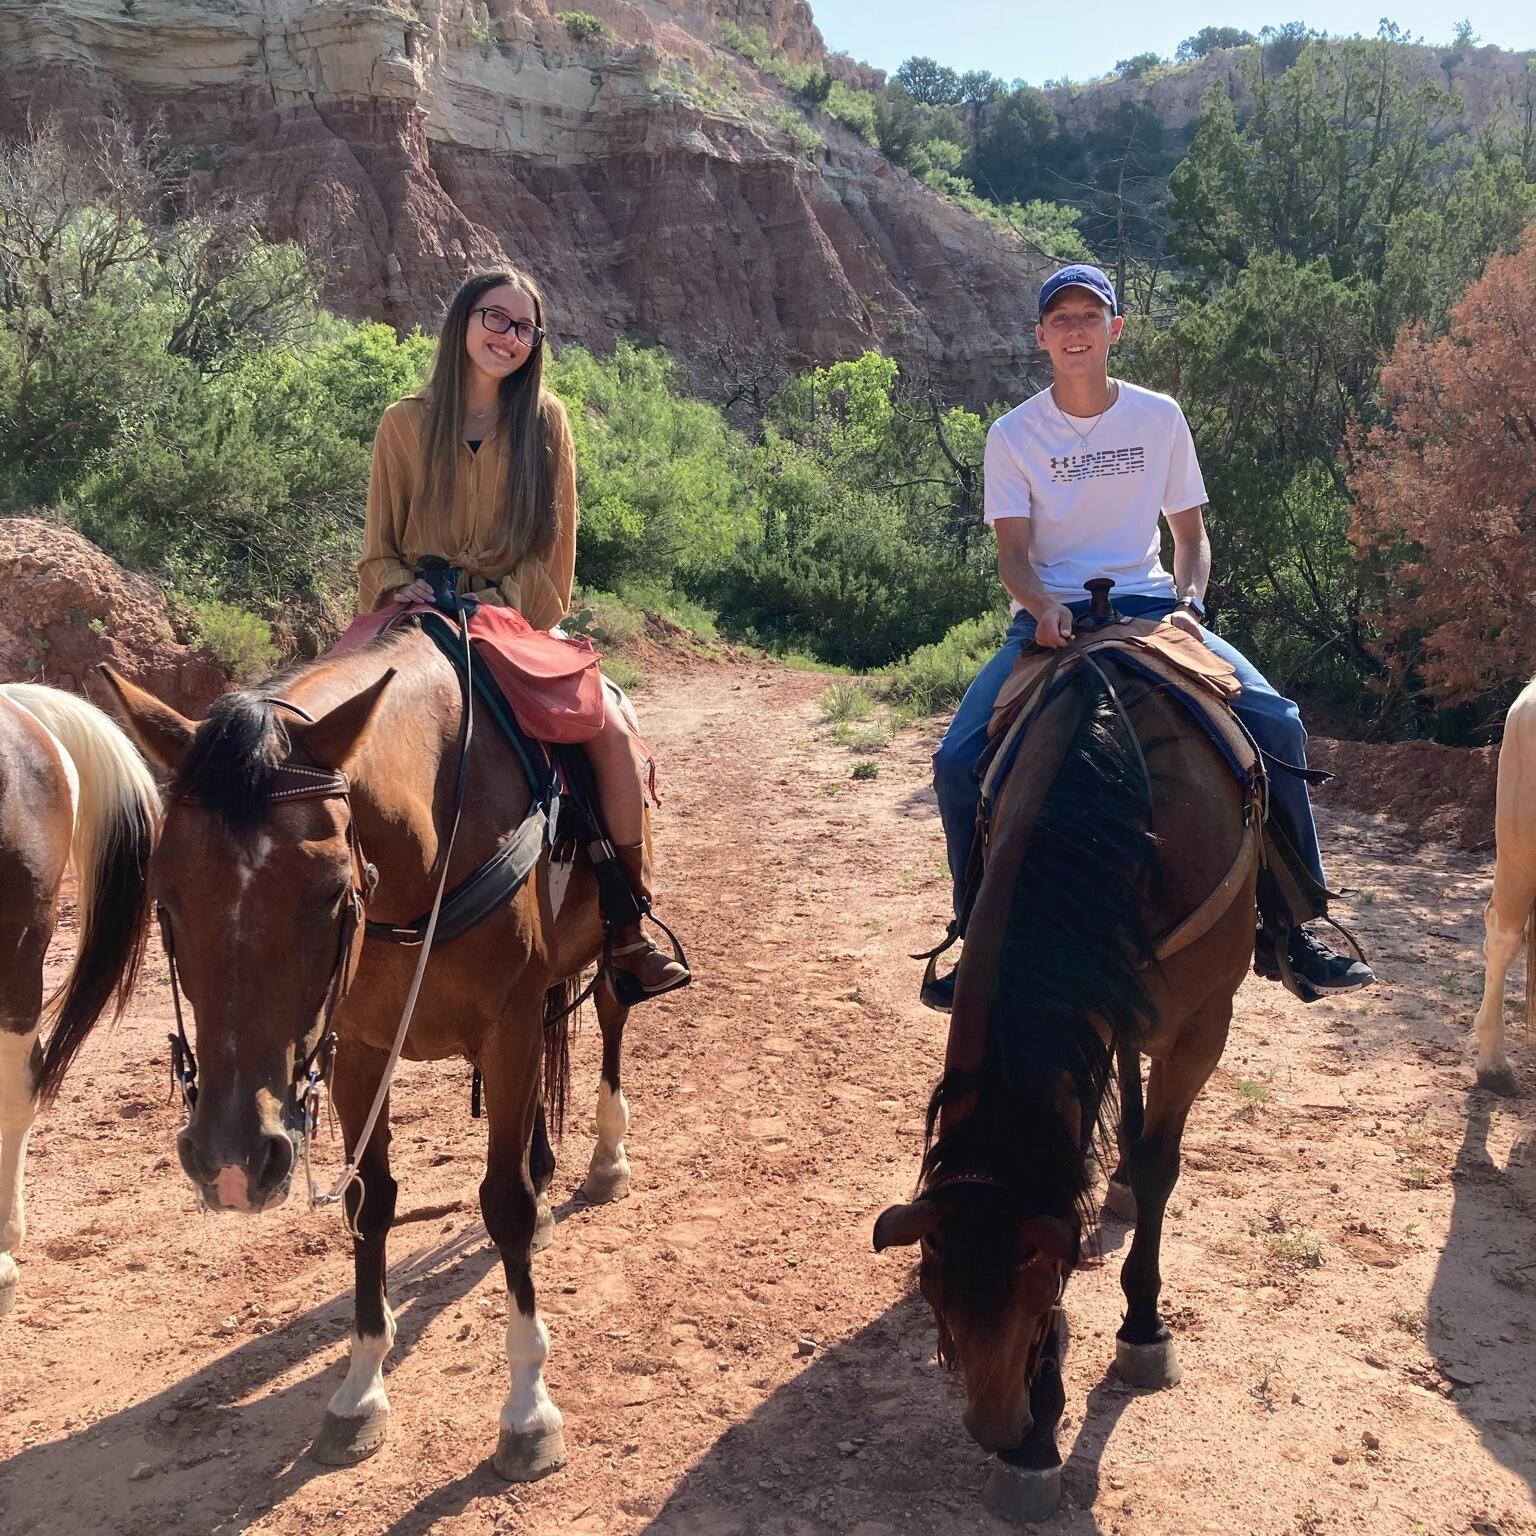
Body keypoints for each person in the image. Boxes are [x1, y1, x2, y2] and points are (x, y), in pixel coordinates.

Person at [926, 263, 1373, 1011]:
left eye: (1089, 317)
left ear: (1115, 330)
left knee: (1279, 724)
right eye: (1061, 320)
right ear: (1041, 337)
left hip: (1152, 608)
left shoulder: (1159, 417)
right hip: (1051, 618)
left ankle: (1292, 928)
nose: (1075, 331)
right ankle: (977, 932)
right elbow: (1012, 553)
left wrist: (1191, 605)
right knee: (956, 761)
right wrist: (1039, 605)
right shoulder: (1013, 435)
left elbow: (1189, 536)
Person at [358, 267, 689, 1001]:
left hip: (517, 619)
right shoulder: (403, 423)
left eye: (524, 326)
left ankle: (627, 921)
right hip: (416, 617)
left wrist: (493, 606)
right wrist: (398, 585)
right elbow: (377, 547)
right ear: (463, 322)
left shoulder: (547, 422)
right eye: (494, 318)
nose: (508, 336)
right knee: (317, 727)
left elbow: (553, 557)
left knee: (606, 727)